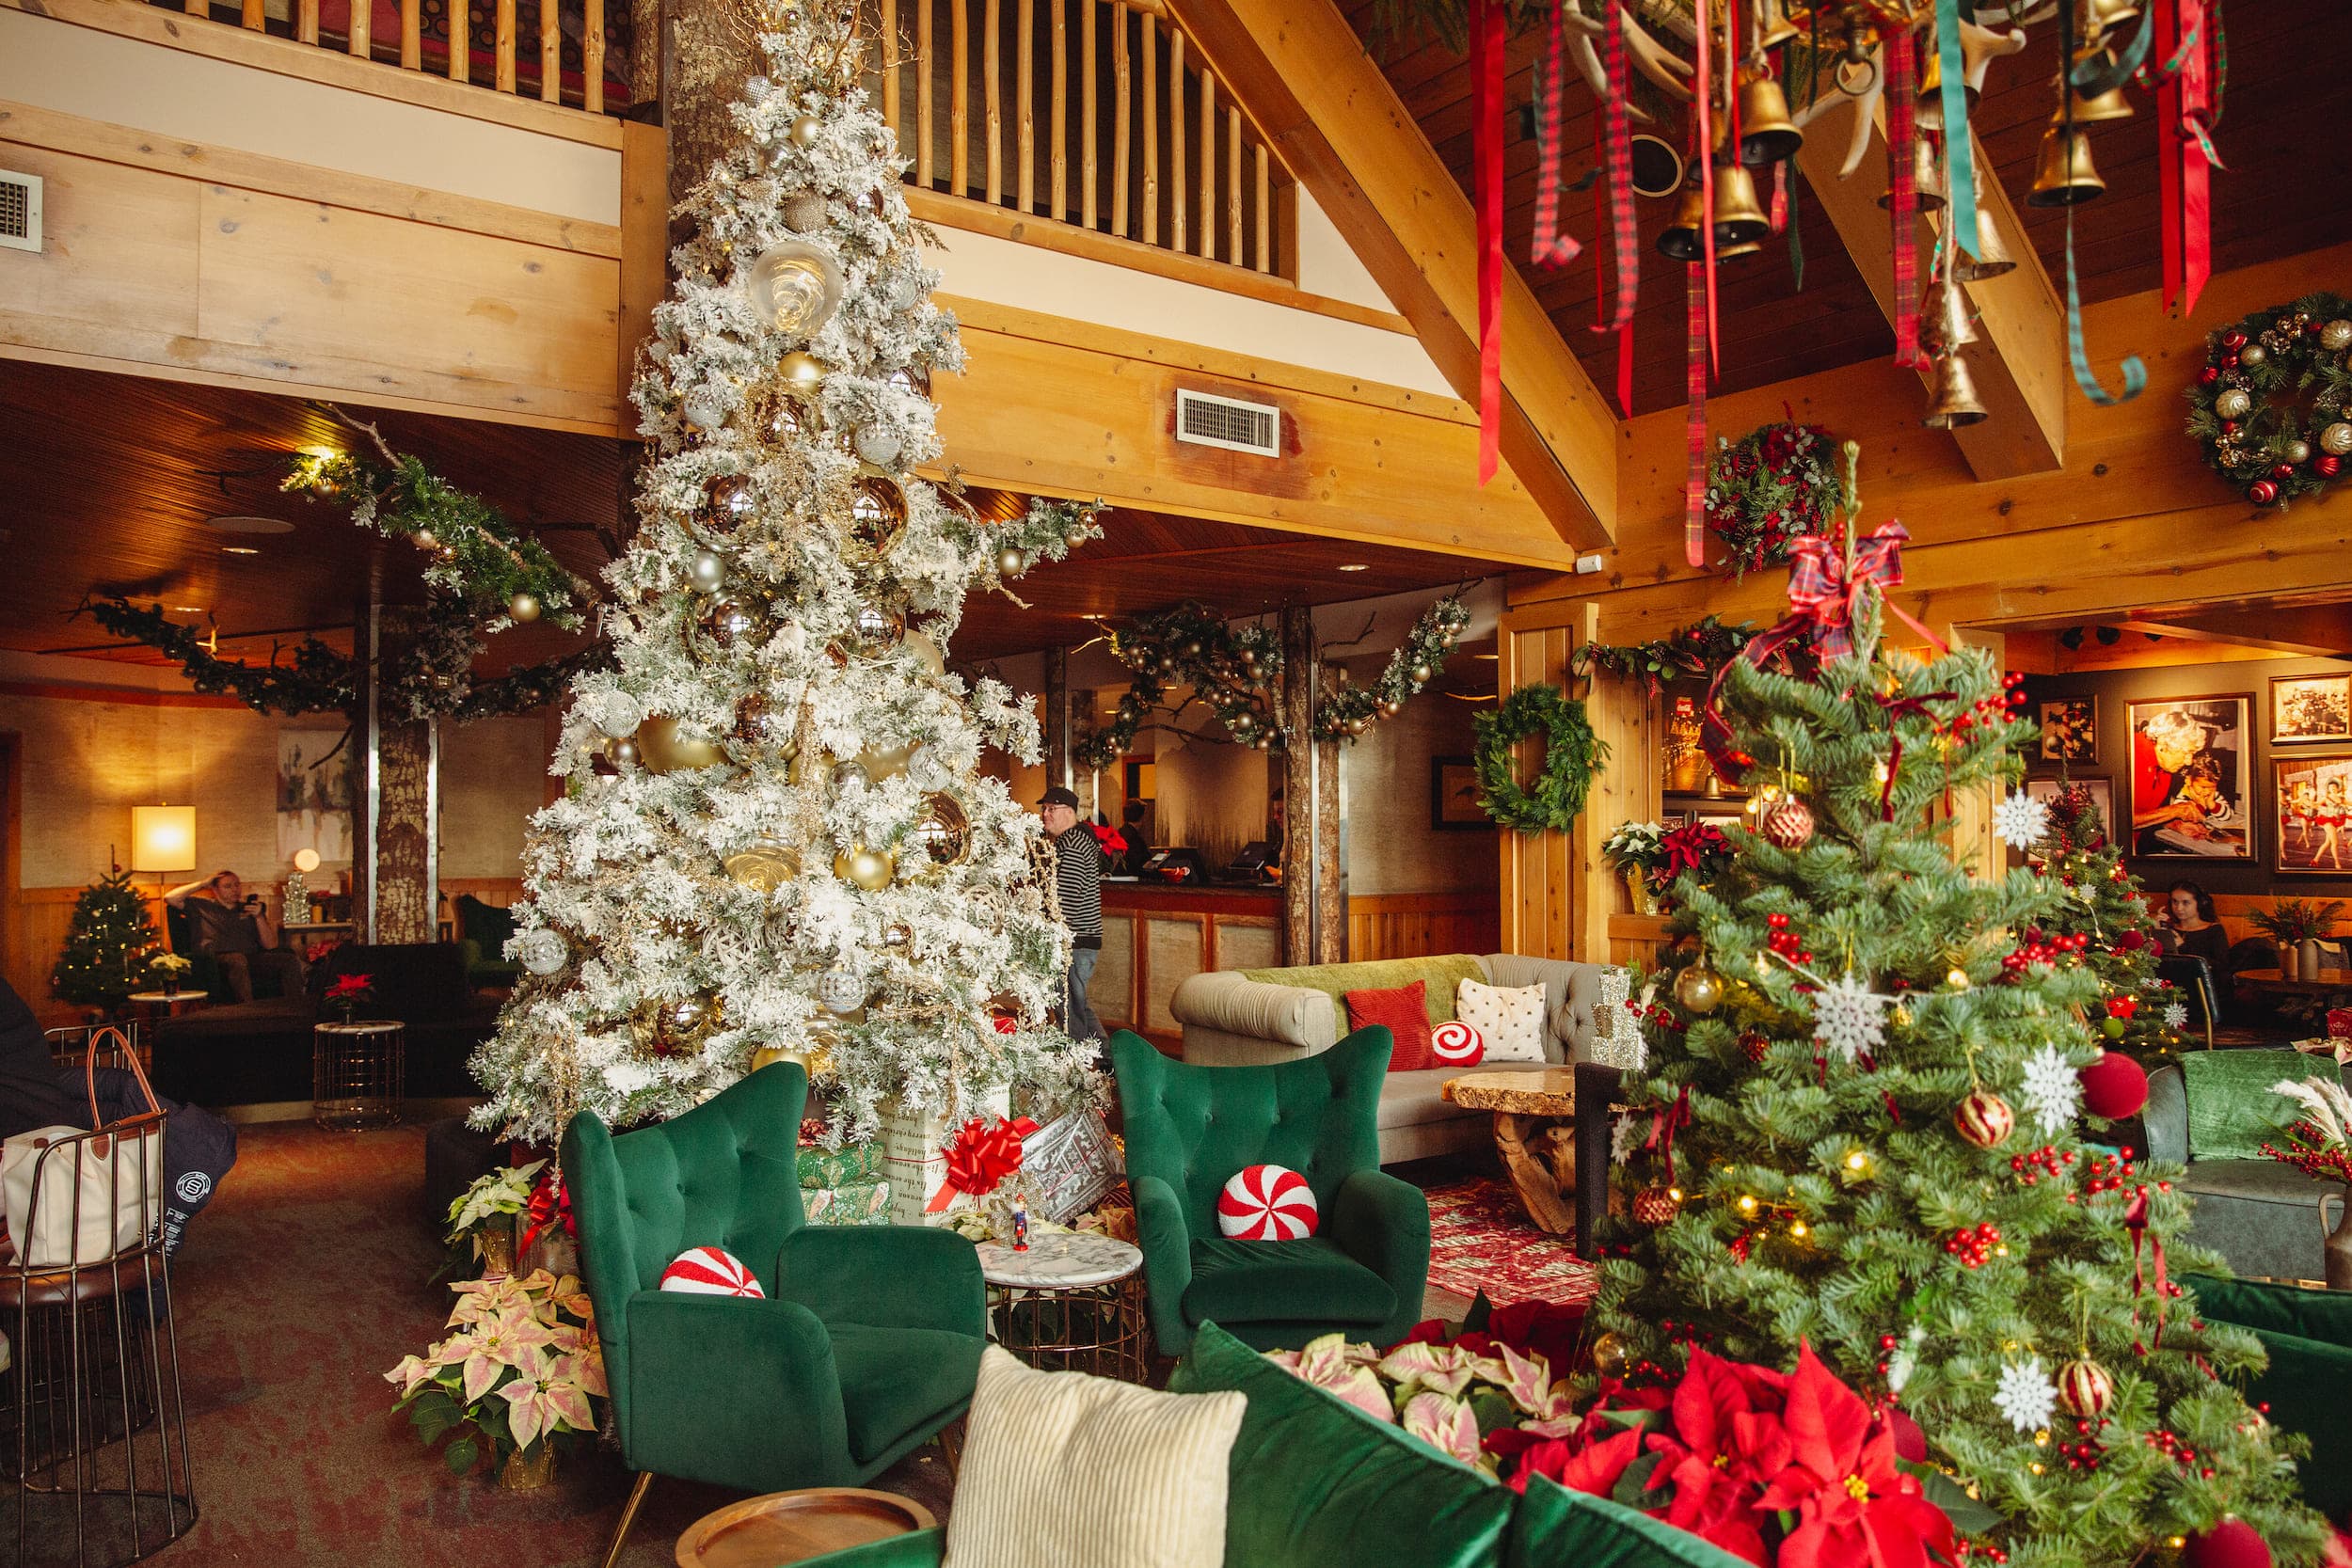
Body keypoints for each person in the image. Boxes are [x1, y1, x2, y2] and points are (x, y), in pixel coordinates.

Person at [165, 869, 305, 1003]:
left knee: (288, 959)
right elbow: (170, 898)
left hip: (250, 957)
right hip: (214, 961)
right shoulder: (201, 906)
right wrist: (202, 884)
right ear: (215, 889)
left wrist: (259, 917)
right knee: (237, 959)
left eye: (237, 885)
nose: (235, 889)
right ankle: (247, 1008)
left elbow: (270, 945)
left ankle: (294, 1006)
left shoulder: (249, 908)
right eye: (228, 886)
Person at [1038, 786, 1104, 1044]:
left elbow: (1065, 897)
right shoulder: (1076, 840)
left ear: (1069, 812)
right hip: (1079, 939)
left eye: (1051, 809)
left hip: (1074, 941)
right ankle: (1109, 1059)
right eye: (1044, 809)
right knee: (1076, 1005)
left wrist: (1041, 917)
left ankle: (1076, 1069)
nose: (1045, 814)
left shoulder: (1073, 843)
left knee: (1068, 1008)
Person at [2132, 709, 2217, 855]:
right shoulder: (2130, 755)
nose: (2189, 761)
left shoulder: (2165, 767)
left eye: (2192, 754)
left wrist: (2175, 824)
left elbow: (2145, 815)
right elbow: (2116, 819)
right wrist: (2175, 811)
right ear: (2164, 744)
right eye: (2186, 753)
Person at [2165, 880, 2231, 968]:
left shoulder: (2214, 930)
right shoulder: (2169, 929)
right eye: (2175, 902)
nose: (2179, 908)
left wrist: (2183, 947)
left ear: (2199, 903)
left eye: (2186, 903)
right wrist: (2158, 929)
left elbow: (2221, 965)